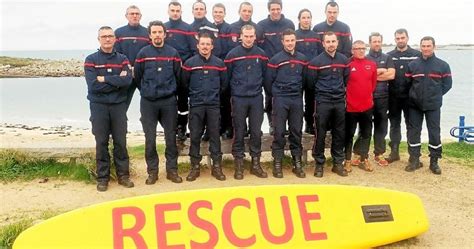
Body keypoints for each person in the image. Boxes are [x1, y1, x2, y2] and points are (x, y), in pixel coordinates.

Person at [84, 26, 134, 192]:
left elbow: (127, 82)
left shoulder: (123, 59)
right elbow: (93, 86)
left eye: (110, 36)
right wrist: (115, 81)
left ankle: (123, 176)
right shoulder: (91, 59)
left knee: (120, 142)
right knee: (102, 142)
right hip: (98, 106)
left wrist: (104, 78)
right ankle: (103, 178)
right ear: (98, 39)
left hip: (119, 107)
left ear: (115, 39)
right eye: (103, 36)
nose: (107, 39)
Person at [134, 21, 183, 184]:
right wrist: (147, 92)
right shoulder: (143, 54)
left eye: (159, 32)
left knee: (171, 137)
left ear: (165, 34)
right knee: (150, 138)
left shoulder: (173, 53)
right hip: (148, 102)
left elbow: (179, 76)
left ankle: (172, 170)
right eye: (154, 32)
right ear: (149, 35)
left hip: (168, 101)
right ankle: (152, 172)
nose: (157, 35)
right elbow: (138, 77)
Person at [182, 32, 228, 181]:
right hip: (196, 105)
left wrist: (214, 97)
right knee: (195, 136)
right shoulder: (189, 64)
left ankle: (217, 167)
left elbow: (224, 85)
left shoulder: (219, 64)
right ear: (198, 45)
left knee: (215, 136)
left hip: (214, 106)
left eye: (208, 44)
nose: (205, 47)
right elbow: (184, 84)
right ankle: (195, 167)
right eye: (202, 44)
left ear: (212, 46)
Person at [225, 24, 269, 180]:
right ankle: (239, 164)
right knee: (239, 131)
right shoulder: (232, 55)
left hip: (256, 98)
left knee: (256, 131)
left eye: (251, 36)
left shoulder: (262, 55)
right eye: (246, 36)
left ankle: (255, 164)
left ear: (255, 37)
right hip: (238, 98)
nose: (249, 39)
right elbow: (226, 79)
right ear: (241, 36)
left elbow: (266, 77)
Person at [264, 29, 308, 178]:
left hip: (296, 98)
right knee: (279, 131)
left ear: (296, 41)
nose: (290, 43)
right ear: (282, 42)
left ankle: (297, 162)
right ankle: (277, 163)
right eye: (287, 40)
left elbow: (306, 80)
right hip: (280, 98)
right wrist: (277, 94)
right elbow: (268, 83)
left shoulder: (303, 59)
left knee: (296, 131)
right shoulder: (275, 60)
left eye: (292, 40)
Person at [405, 36, 452, 175]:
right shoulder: (413, 65)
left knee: (434, 132)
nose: (425, 48)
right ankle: (414, 160)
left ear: (434, 47)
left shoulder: (443, 65)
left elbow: (447, 85)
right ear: (420, 47)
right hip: (414, 105)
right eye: (423, 46)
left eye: (428, 46)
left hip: (433, 105)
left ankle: (434, 161)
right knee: (413, 132)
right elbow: (408, 84)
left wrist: (435, 96)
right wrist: (414, 96)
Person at [307, 31, 349, 178]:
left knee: (339, 133)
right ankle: (319, 164)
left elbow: (346, 80)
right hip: (322, 101)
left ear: (337, 42)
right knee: (320, 133)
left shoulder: (344, 60)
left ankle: (338, 163)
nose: (331, 44)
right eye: (328, 42)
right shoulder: (316, 62)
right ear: (323, 43)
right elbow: (311, 84)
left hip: (339, 101)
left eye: (333, 41)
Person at [258, 0, 295, 135]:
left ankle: (287, 125)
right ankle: (273, 124)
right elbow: (259, 45)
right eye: (272, 9)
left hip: (287, 65)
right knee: (270, 96)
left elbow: (292, 41)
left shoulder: (289, 24)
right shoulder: (261, 25)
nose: (275, 11)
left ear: (281, 9)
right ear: (269, 10)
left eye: (277, 9)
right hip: (270, 66)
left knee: (288, 96)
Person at [386, 28, 421, 163]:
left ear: (407, 38)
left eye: (402, 38)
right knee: (394, 125)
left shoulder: (416, 55)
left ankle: (413, 155)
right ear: (395, 39)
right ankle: (394, 152)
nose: (400, 40)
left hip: (410, 97)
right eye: (398, 38)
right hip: (393, 96)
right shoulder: (389, 56)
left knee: (411, 125)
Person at [165, 1, 196, 142]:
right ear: (168, 11)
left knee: (183, 101)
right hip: (167, 71)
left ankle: (182, 127)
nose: (175, 13)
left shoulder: (188, 28)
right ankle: (171, 127)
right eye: (173, 10)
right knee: (169, 101)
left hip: (183, 70)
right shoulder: (163, 28)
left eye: (178, 10)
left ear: (181, 12)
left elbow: (193, 49)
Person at [344, 40, 377, 173]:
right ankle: (347, 160)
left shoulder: (371, 64)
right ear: (353, 50)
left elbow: (373, 84)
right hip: (351, 107)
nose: (361, 51)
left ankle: (364, 158)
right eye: (358, 48)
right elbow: (344, 83)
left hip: (367, 106)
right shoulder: (348, 65)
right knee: (349, 135)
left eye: (363, 48)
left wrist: (366, 98)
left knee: (366, 134)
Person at [366, 32, 395, 167]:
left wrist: (373, 74)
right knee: (365, 126)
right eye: (374, 41)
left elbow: (391, 75)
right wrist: (380, 71)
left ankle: (379, 153)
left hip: (383, 97)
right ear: (370, 43)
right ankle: (362, 154)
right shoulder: (365, 58)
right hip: (367, 97)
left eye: (379, 41)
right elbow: (363, 77)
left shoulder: (387, 58)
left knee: (381, 126)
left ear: (381, 42)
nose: (377, 44)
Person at [114, 5, 150, 110]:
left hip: (143, 75)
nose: (134, 16)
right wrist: (128, 68)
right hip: (126, 74)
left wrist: (139, 69)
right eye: (132, 14)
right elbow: (116, 54)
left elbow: (150, 54)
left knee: (150, 104)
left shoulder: (147, 32)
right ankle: (119, 126)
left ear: (141, 16)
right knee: (122, 106)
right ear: (126, 16)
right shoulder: (119, 32)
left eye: (137, 14)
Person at [295, 8, 322, 135]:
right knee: (297, 101)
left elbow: (320, 54)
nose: (306, 20)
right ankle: (296, 126)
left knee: (311, 100)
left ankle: (310, 124)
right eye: (303, 17)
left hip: (312, 73)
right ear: (299, 19)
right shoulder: (294, 36)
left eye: (308, 17)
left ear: (311, 19)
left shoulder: (316, 37)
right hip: (297, 73)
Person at [212, 3, 233, 140]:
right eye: (216, 12)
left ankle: (228, 127)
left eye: (221, 12)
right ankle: (214, 128)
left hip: (225, 68)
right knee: (213, 100)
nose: (218, 14)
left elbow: (231, 49)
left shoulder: (229, 28)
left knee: (226, 100)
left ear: (224, 14)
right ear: (212, 13)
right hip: (211, 68)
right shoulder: (208, 28)